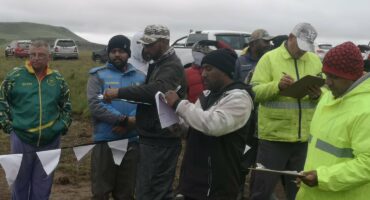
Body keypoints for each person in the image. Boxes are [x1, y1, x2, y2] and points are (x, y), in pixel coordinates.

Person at [103, 24, 187, 200]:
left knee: (151, 191)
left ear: (164, 42)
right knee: (149, 189)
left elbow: (156, 91)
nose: (146, 48)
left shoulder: (171, 66)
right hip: (154, 135)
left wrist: (119, 92)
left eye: (150, 44)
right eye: (144, 44)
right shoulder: (159, 63)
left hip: (161, 139)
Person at [165, 48, 254, 200]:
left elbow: (213, 125)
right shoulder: (207, 95)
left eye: (209, 69)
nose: (203, 74)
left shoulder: (240, 98)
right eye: (202, 69)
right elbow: (197, 125)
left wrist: (179, 105)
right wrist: (179, 126)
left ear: (225, 70)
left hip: (218, 183)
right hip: (194, 179)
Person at [249, 22, 322, 200]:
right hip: (273, 138)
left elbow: (326, 90)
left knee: (299, 190)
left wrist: (317, 95)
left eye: (307, 48)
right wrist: (277, 86)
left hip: (304, 139)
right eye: (301, 46)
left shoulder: (314, 60)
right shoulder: (269, 59)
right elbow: (254, 92)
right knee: (263, 189)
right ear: (291, 37)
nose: (303, 51)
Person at [296, 42, 370, 200]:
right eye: (326, 75)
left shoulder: (366, 110)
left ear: (352, 77)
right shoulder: (330, 96)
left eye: (334, 77)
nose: (327, 82)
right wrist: (309, 175)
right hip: (314, 192)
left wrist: (321, 178)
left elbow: (367, 164)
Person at [0, 40, 72, 200]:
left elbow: (66, 105)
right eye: (33, 54)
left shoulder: (57, 79)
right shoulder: (15, 76)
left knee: (43, 186)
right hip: (21, 138)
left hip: (51, 141)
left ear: (49, 57)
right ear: (28, 55)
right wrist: (7, 126)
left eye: (41, 55)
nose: (36, 58)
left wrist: (62, 126)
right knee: (20, 183)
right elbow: (1, 101)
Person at [87, 35, 145, 200]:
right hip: (105, 139)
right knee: (101, 190)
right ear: (108, 53)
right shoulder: (98, 75)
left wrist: (129, 125)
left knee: (126, 192)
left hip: (132, 140)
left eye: (121, 51)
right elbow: (95, 104)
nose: (117, 55)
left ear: (128, 53)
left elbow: (144, 104)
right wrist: (123, 120)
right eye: (113, 51)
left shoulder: (140, 77)